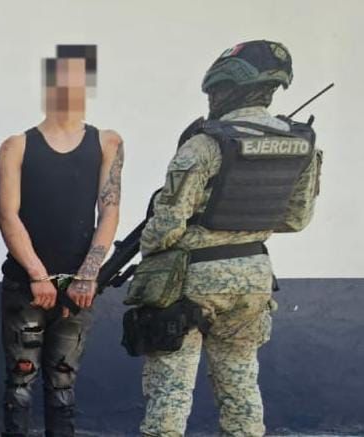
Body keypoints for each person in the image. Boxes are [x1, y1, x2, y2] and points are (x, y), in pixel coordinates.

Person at [138, 40, 323, 437]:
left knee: (171, 390)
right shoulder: (302, 143)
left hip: (191, 278)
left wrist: (147, 249)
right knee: (240, 385)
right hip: (255, 278)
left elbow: (167, 227)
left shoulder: (205, 144)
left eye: (214, 92)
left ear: (227, 88)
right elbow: (297, 219)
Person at [0, 44, 124, 436]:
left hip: (78, 287)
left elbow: (110, 211)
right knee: (20, 384)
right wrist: (37, 275)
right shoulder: (16, 145)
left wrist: (87, 275)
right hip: (25, 285)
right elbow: (8, 215)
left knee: (63, 386)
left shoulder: (107, 142)